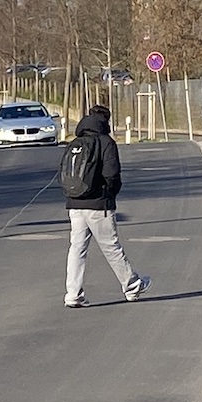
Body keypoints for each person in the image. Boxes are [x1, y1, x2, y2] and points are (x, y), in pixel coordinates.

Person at [60, 103, 148, 308]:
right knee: (111, 247)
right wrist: (110, 194)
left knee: (77, 248)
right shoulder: (106, 142)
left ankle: (73, 294)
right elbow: (112, 175)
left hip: (75, 203)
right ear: (106, 120)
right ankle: (132, 285)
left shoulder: (77, 142)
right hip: (99, 204)